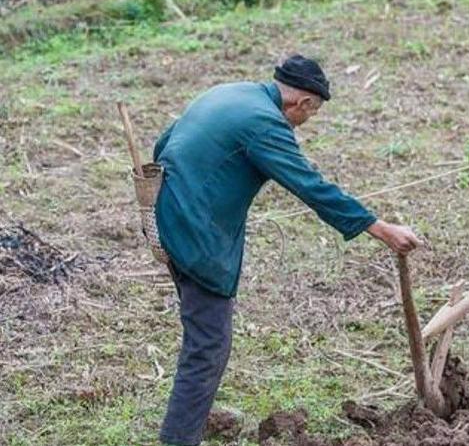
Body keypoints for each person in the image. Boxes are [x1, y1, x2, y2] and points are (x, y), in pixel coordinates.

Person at [152, 54, 421, 445]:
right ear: (304, 103)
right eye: (311, 114)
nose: (305, 122)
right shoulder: (265, 123)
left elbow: (165, 141)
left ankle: (187, 428)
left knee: (205, 338)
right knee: (208, 346)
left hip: (172, 217)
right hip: (197, 235)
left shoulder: (231, 93)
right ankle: (178, 440)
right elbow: (309, 185)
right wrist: (379, 229)